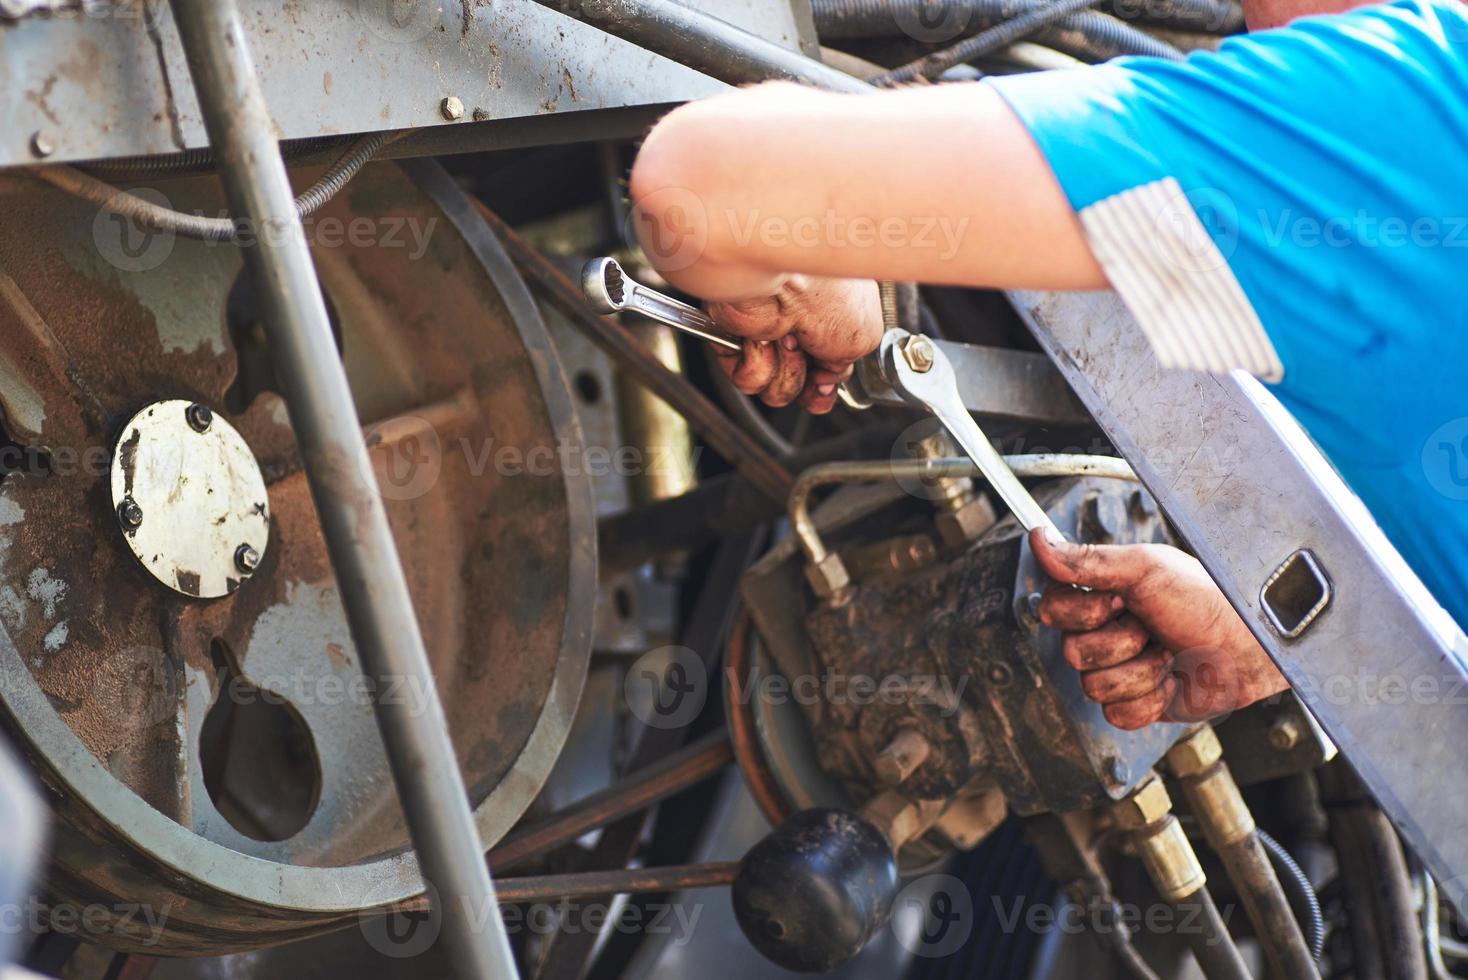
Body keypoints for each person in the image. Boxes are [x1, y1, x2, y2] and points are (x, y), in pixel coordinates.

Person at [625, 0, 1468, 730]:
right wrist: (1293, 641)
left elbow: (698, 188)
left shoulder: (1399, 105)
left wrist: (824, 256)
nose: (1249, 26)